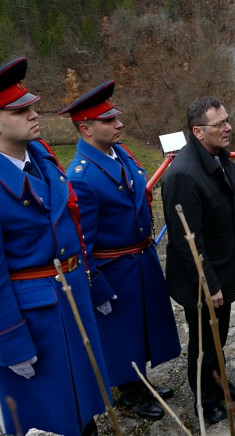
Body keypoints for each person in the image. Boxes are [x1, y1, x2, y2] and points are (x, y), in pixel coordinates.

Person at [0, 58, 109, 436]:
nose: (36, 114)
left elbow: (72, 229)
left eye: (31, 105)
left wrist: (92, 283)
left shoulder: (40, 158)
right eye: (21, 110)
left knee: (85, 408)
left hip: (72, 300)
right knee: (55, 418)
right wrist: (10, 344)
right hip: (37, 322)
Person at [60, 81, 181, 420]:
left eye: (116, 118)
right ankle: (128, 394)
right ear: (86, 129)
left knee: (142, 326)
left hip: (139, 257)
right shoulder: (81, 177)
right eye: (108, 121)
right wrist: (95, 285)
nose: (119, 124)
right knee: (120, 333)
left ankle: (139, 383)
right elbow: (82, 242)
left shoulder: (120, 152)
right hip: (114, 268)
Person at [162, 97, 235, 424]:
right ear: (198, 132)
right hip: (202, 280)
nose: (229, 128)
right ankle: (205, 402)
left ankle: (218, 384)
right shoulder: (184, 175)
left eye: (228, 120)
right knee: (204, 344)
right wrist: (210, 284)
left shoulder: (216, 159)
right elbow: (187, 241)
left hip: (222, 270)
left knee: (219, 338)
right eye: (221, 124)